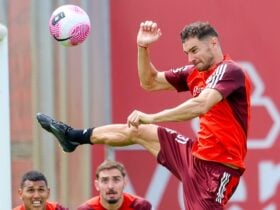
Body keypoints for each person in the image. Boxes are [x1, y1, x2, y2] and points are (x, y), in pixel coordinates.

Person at [36, 20, 251, 209]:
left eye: (194, 50)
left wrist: (152, 116)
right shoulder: (194, 73)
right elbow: (150, 82)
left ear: (213, 43)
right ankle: (73, 136)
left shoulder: (230, 71)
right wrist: (143, 47)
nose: (190, 57)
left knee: (146, 124)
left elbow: (200, 105)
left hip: (217, 170)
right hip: (195, 154)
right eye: (187, 52)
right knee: (140, 131)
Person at [77, 159, 152, 210]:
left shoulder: (140, 206)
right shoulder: (87, 209)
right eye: (105, 180)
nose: (110, 186)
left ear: (125, 182)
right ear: (97, 185)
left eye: (116, 180)